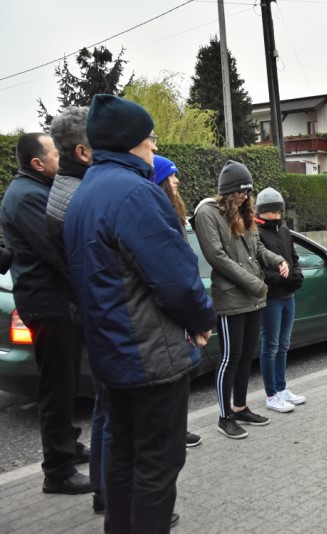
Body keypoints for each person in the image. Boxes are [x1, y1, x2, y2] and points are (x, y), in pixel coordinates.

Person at [64, 94, 216, 534]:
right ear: (130, 140)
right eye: (151, 138)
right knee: (157, 464)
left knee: (123, 455)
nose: (155, 146)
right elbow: (176, 278)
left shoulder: (86, 192)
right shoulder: (135, 194)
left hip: (111, 354)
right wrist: (201, 321)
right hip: (150, 357)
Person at [0, 132, 91, 496]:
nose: (61, 158)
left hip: (55, 302)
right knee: (55, 387)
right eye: (54, 153)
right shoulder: (27, 197)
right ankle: (57, 471)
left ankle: (68, 446)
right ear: (37, 163)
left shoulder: (34, 190)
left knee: (66, 381)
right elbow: (57, 251)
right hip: (48, 304)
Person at [191, 161, 289, 439]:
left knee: (247, 356)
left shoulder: (245, 213)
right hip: (231, 299)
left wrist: (277, 259)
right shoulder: (207, 214)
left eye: (248, 192)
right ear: (228, 191)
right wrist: (256, 284)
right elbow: (217, 257)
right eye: (240, 192)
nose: (245, 197)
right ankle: (224, 417)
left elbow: (257, 248)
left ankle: (241, 407)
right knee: (229, 359)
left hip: (253, 298)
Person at [44, 106, 109, 514]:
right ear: (84, 152)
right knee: (113, 411)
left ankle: (109, 493)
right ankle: (113, 498)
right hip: (102, 319)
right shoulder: (79, 198)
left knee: (108, 408)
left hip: (92, 314)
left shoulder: (69, 189)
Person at [151, 155, 204, 449]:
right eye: (171, 176)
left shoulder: (174, 213)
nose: (177, 180)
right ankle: (169, 434)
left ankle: (177, 429)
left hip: (179, 310)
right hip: (169, 313)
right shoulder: (159, 215)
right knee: (170, 376)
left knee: (182, 373)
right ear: (159, 180)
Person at [255, 187, 306, 413]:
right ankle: (271, 395)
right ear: (262, 211)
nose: (277, 215)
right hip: (271, 299)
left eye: (279, 211)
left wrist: (297, 276)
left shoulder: (284, 230)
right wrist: (281, 280)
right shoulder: (256, 233)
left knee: (284, 344)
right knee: (270, 346)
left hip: (288, 296)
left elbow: (294, 258)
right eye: (273, 211)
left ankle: (281, 388)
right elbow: (260, 268)